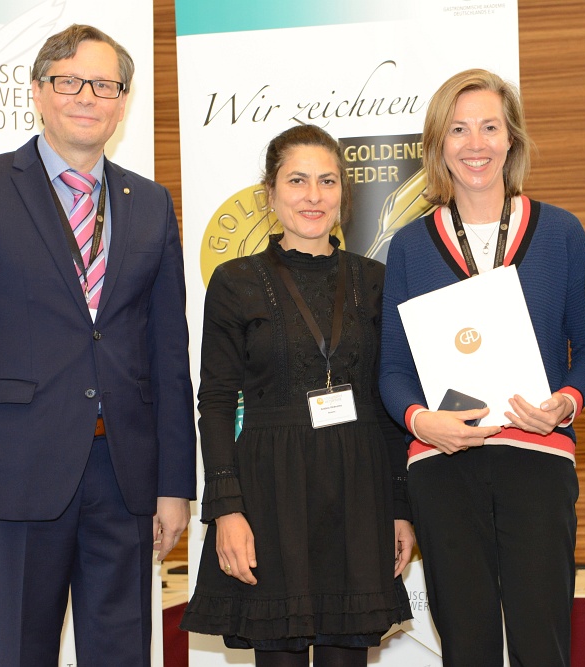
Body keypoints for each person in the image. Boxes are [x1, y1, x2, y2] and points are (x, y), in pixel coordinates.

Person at [0, 24, 195, 666]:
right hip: (14, 475)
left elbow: (168, 356)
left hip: (125, 477)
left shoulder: (151, 203)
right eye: (69, 81)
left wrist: (175, 484)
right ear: (38, 92)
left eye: (104, 85)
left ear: (122, 102)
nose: (86, 96)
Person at [179, 124, 414, 667]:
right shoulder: (235, 281)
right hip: (270, 493)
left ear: (343, 195)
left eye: (327, 181)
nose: (314, 195)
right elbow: (216, 402)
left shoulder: (375, 280)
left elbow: (387, 401)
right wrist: (226, 510)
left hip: (358, 492)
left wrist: (399, 507)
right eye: (297, 180)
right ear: (271, 193)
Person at [379, 69, 585, 667]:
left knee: (542, 645)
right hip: (443, 466)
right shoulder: (410, 246)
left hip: (538, 457)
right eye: (458, 129)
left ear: (511, 138)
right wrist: (421, 422)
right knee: (466, 647)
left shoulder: (561, 232)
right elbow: (392, 368)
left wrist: (566, 402)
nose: (475, 144)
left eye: (490, 127)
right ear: (437, 144)